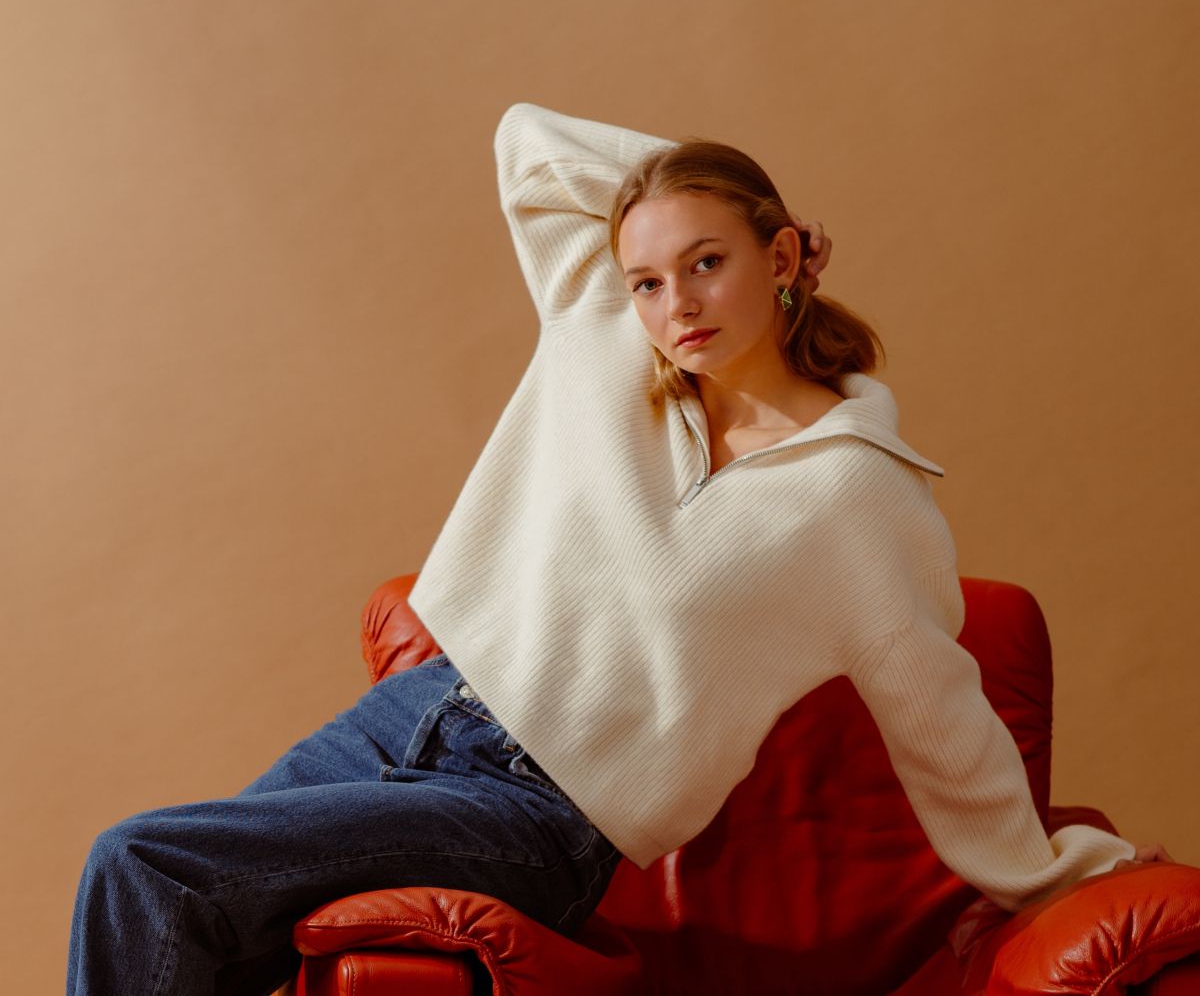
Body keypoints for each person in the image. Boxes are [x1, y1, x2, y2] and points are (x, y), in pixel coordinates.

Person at [67, 103, 1164, 995]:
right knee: (197, 935)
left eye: (708, 262)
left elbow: (945, 722)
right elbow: (527, 143)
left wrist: (1063, 872)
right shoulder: (600, 330)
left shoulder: (859, 497)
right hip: (415, 713)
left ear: (783, 256)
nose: (675, 303)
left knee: (145, 866)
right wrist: (685, 204)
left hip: (538, 815)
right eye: (648, 278)